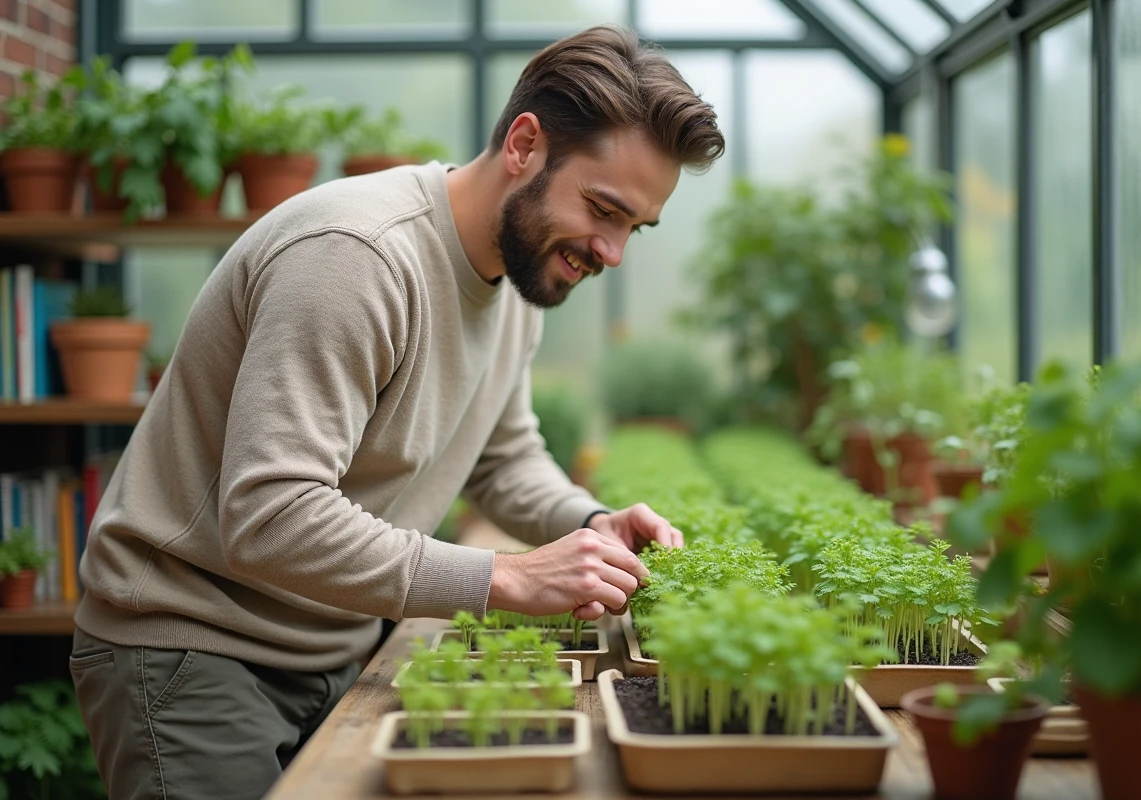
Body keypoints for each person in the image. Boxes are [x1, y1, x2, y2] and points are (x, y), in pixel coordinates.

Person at [68, 24, 724, 800]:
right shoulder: (356, 256)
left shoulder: (520, 280)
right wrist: (503, 578)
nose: (612, 251)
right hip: (195, 646)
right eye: (603, 209)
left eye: (633, 229)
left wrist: (590, 525)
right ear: (524, 145)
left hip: (334, 642)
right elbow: (270, 514)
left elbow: (503, 458)